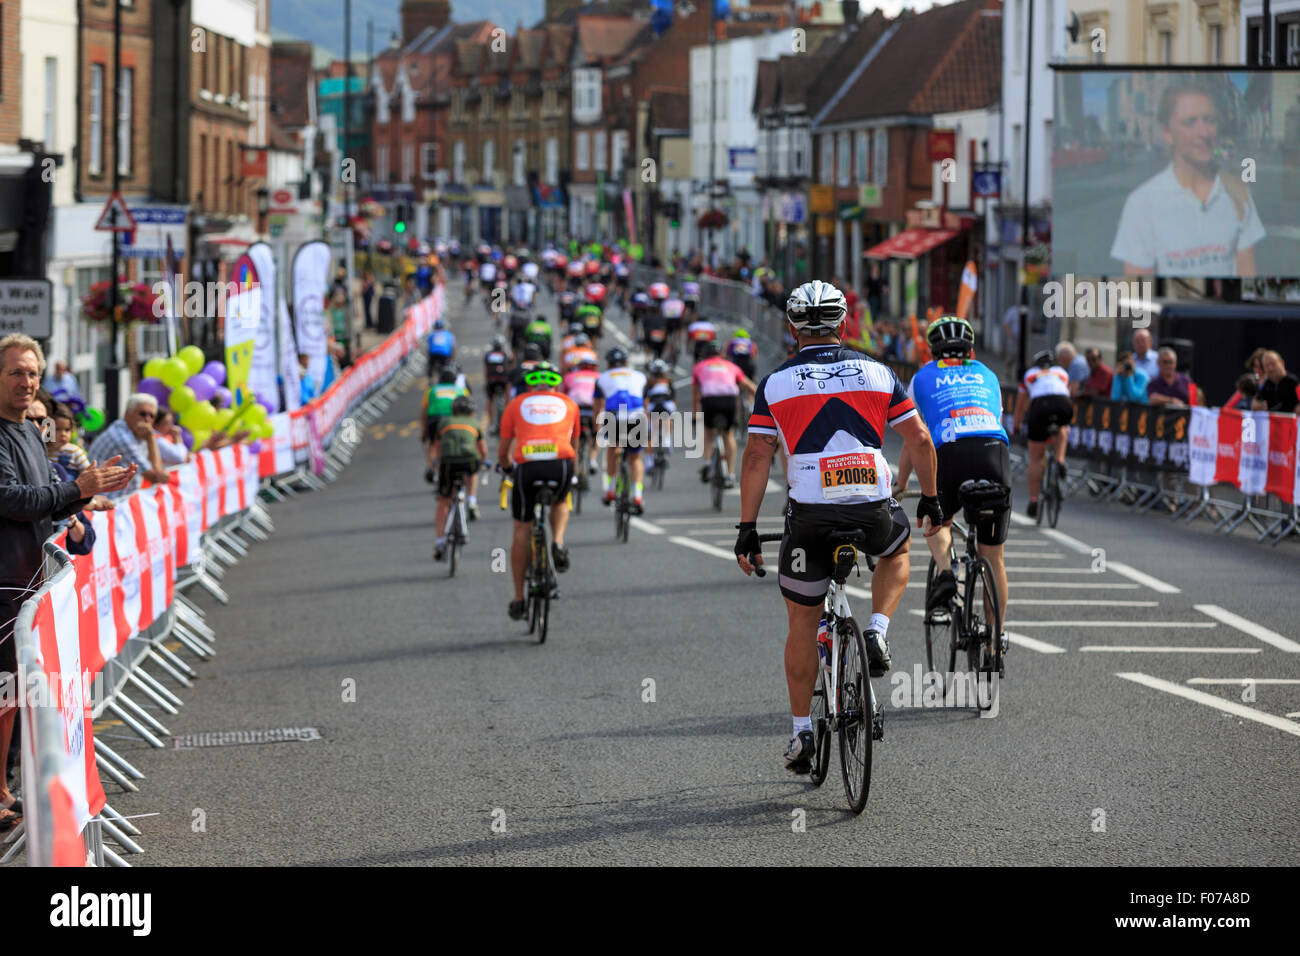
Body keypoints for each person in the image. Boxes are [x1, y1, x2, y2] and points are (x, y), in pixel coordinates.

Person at [733, 280, 942, 775]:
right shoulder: (878, 372)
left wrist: (746, 528)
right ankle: (876, 629)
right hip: (871, 509)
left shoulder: (775, 383)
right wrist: (930, 498)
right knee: (896, 550)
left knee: (802, 623)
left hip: (809, 518)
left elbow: (757, 455)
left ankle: (802, 731)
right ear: (844, 323)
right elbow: (920, 440)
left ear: (791, 329)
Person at [0, 334, 135, 831]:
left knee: (13, 695)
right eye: (15, 372)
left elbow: (44, 500)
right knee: (3, 693)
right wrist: (76, 488)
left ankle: (5, 789)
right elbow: (12, 499)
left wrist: (86, 495)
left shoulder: (30, 434)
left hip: (31, 582)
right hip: (6, 584)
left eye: (32, 373)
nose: (27, 381)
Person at [895, 317, 1010, 655]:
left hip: (949, 451)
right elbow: (994, 419)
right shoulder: (988, 375)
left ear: (932, 352)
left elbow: (913, 438)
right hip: (993, 451)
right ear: (972, 350)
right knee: (994, 556)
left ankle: (946, 572)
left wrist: (901, 484)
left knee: (937, 519)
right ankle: (995, 638)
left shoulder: (921, 378)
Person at [1110, 79, 1264, 277]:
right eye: (1190, 122)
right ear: (1167, 132)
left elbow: (1247, 282)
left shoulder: (1238, 193)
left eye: (1210, 120)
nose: (1204, 132)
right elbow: (1139, 296)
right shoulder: (1142, 204)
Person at [497, 362, 580, 621]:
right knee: (560, 502)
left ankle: (519, 598)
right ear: (556, 384)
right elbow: (574, 443)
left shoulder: (516, 404)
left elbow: (503, 451)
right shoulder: (569, 404)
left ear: (531, 384)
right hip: (560, 464)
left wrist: (507, 468)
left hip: (528, 466)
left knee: (522, 528)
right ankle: (557, 542)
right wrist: (572, 474)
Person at [1012, 349, 1073, 518]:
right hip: (1062, 403)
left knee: (1036, 457)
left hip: (1040, 406)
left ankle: (1033, 500)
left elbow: (1020, 405)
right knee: (1062, 427)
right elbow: (1067, 393)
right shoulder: (1061, 373)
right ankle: (1060, 459)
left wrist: (1016, 426)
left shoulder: (1030, 375)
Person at [692, 341, 757, 489]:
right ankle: (730, 474)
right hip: (728, 400)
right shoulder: (731, 366)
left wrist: (695, 416)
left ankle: (707, 463)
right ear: (721, 354)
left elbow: (696, 396)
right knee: (728, 435)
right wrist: (763, 400)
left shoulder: (699, 367)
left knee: (709, 433)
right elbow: (749, 386)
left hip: (709, 400)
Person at [593, 347, 648, 514]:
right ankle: (637, 495)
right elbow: (646, 404)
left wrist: (598, 430)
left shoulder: (602, 378)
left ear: (609, 364)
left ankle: (610, 489)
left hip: (614, 416)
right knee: (635, 457)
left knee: (613, 448)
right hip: (636, 416)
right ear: (626, 362)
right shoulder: (640, 376)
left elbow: (598, 407)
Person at [432, 395, 487, 560]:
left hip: (448, 463)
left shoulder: (444, 422)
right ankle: (471, 500)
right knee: (474, 468)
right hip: (468, 461)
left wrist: (435, 464)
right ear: (471, 412)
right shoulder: (475, 423)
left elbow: (437, 447)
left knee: (443, 500)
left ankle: (440, 540)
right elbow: (482, 450)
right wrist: (485, 462)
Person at [87, 393, 171, 500]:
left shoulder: (139, 432)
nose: (147, 419)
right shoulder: (121, 437)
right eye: (142, 414)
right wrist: (150, 439)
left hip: (120, 499)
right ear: (127, 414)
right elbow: (156, 476)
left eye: (151, 416)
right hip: (104, 502)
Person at [423, 366, 469, 480]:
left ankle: (432, 468)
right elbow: (468, 410)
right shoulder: (461, 390)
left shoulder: (431, 390)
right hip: (453, 420)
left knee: (432, 443)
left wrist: (424, 430)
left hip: (434, 419)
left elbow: (424, 411)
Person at [563, 354, 601, 476]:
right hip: (592, 410)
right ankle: (593, 459)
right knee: (598, 433)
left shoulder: (569, 376)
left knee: (570, 436)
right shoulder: (599, 377)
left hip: (575, 409)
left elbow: (563, 395)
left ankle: (571, 461)